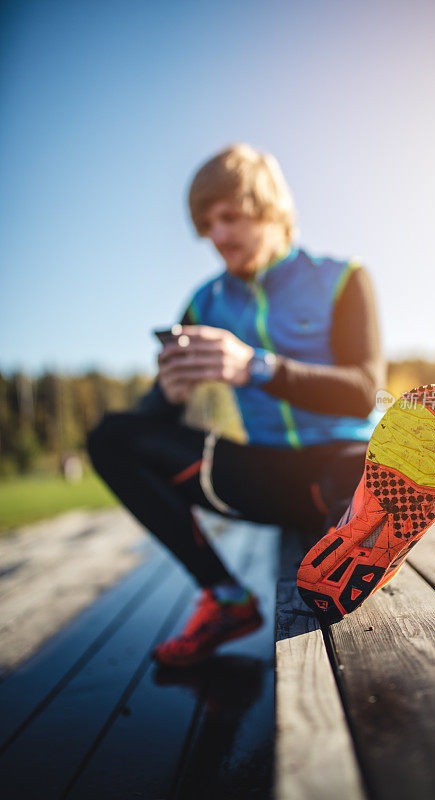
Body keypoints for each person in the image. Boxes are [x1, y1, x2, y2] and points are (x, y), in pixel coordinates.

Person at [87, 143, 387, 667]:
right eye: (206, 225)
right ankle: (227, 598)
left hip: (346, 454)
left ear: (269, 207)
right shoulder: (206, 302)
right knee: (112, 436)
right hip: (264, 477)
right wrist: (168, 395)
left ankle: (360, 536)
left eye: (229, 217)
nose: (216, 237)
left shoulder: (343, 277)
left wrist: (255, 366)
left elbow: (364, 388)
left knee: (359, 469)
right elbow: (149, 425)